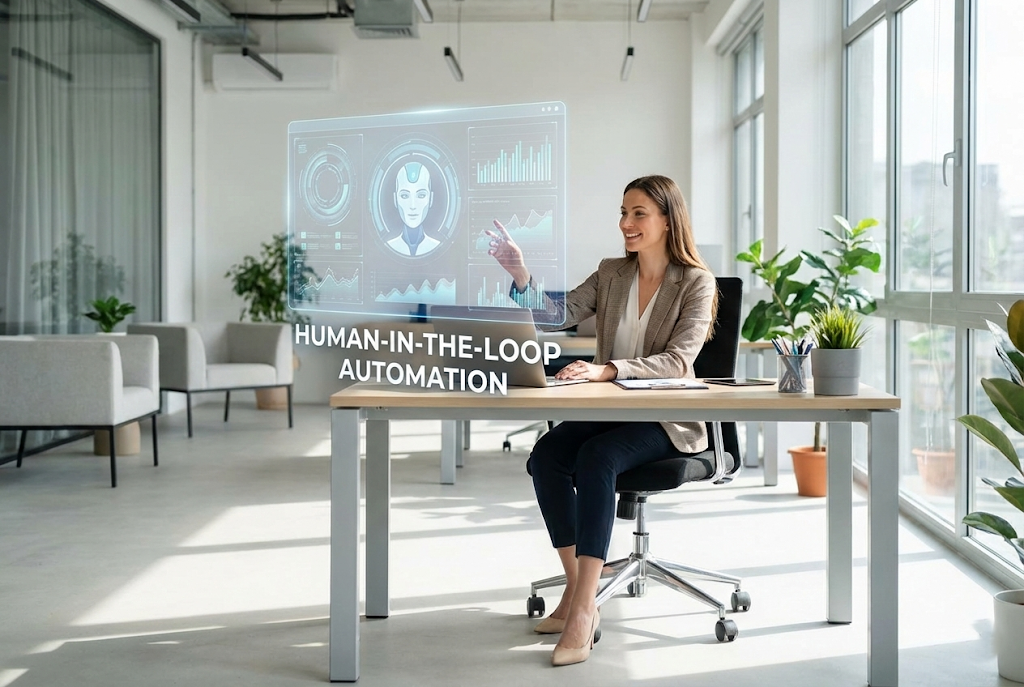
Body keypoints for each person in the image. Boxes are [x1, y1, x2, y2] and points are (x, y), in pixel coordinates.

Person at [485, 175, 719, 667]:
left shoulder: (696, 281)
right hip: (612, 411)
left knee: (597, 457)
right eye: (623, 212)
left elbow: (678, 360)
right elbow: (557, 314)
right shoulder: (612, 272)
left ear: (667, 220)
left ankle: (582, 609)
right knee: (547, 456)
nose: (625, 223)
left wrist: (608, 368)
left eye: (638, 214)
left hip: (666, 419)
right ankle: (578, 592)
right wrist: (521, 274)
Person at [386, 160, 441, 257]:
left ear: (431, 199)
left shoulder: (436, 246)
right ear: (395, 199)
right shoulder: (389, 245)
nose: (413, 206)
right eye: (404, 196)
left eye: (421, 195)